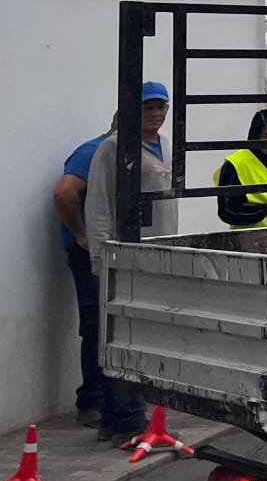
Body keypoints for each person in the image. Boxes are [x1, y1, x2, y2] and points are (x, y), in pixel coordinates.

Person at [82, 81, 177, 440]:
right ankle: (123, 417)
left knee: (145, 337)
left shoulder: (166, 147)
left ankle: (123, 416)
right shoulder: (113, 148)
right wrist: (101, 255)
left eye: (160, 107)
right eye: (148, 107)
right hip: (123, 255)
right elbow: (99, 203)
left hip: (158, 254)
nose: (155, 114)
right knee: (120, 338)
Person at [51, 114, 116, 428]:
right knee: (95, 325)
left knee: (110, 325)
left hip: (117, 251)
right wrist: (81, 234)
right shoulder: (95, 151)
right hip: (91, 252)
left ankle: (109, 398)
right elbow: (64, 192)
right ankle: (91, 399)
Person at [216, 108, 267, 228]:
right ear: (256, 136)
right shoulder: (235, 164)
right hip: (249, 239)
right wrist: (266, 209)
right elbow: (226, 212)